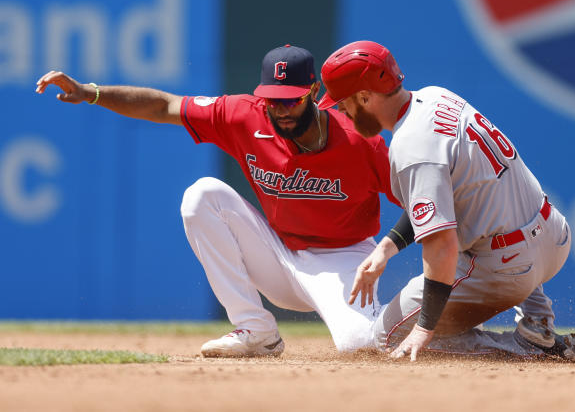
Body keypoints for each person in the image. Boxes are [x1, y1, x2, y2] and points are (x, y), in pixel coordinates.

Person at [36, 44, 401, 357]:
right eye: (273, 100)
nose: (282, 110)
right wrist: (92, 93)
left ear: (313, 91)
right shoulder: (244, 114)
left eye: (292, 100)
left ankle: (441, 316)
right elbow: (165, 105)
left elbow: (419, 204)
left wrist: (403, 251)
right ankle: (256, 330)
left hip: (343, 262)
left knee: (358, 345)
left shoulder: (360, 141)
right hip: (278, 253)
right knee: (202, 195)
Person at [317, 40, 575, 362]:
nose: (340, 109)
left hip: (508, 267)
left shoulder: (412, 147)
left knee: (387, 336)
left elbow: (442, 247)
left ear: (365, 96)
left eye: (343, 101)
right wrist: (387, 248)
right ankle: (538, 323)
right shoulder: (437, 96)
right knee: (492, 210)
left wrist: (425, 329)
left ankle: (527, 348)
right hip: (554, 236)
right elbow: (445, 192)